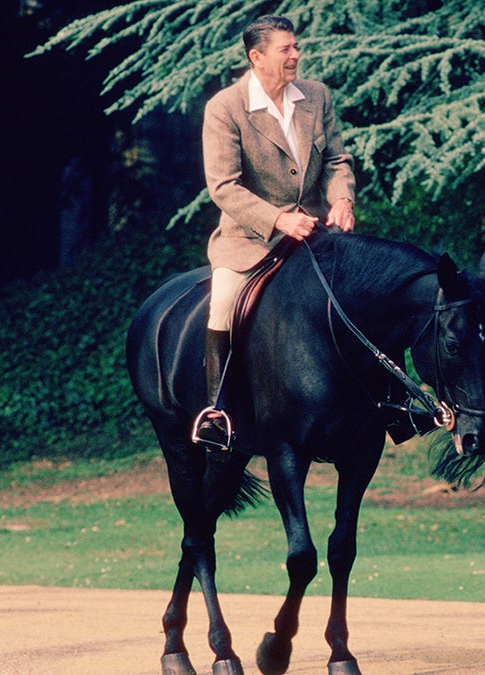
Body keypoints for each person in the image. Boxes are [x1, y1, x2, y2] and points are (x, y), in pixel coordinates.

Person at [193, 14, 357, 452]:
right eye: (286, 49)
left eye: (296, 46)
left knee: (367, 294)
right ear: (256, 56)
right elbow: (223, 186)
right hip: (251, 240)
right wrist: (278, 220)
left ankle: (389, 401)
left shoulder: (317, 96)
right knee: (224, 304)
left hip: (319, 235)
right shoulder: (225, 108)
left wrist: (342, 199)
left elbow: (338, 161)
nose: (296, 55)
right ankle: (218, 413)